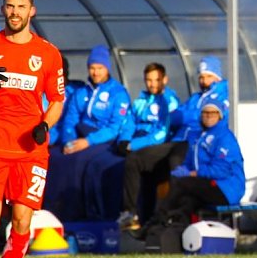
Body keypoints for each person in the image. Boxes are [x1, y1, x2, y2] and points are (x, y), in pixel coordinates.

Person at [0, 0, 64, 258]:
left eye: (21, 7)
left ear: (32, 11)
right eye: (9, 6)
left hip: (31, 152)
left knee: (21, 221)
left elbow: (57, 100)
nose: (15, 12)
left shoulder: (47, 53)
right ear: (3, 9)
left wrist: (44, 125)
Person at [122, 56, 229, 229]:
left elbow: (206, 118)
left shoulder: (224, 96)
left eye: (208, 76)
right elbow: (174, 117)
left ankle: (170, 219)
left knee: (174, 164)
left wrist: (184, 116)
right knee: (135, 160)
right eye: (201, 77)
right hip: (177, 140)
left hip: (195, 144)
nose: (203, 81)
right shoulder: (196, 98)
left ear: (217, 77)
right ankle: (131, 215)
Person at [43, 45, 130, 221]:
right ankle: (52, 212)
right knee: (54, 157)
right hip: (80, 136)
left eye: (100, 68)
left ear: (107, 68)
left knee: (78, 161)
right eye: (92, 68)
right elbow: (70, 119)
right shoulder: (82, 92)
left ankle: (79, 214)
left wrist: (87, 142)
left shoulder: (118, 93)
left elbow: (114, 127)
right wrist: (69, 141)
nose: (96, 72)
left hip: (103, 140)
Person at [85, 62, 180, 224]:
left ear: (165, 80)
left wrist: (133, 145)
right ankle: (101, 213)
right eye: (149, 80)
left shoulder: (169, 101)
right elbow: (129, 121)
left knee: (132, 162)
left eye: (156, 80)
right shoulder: (141, 99)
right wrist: (124, 140)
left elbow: (162, 133)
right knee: (103, 163)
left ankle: (130, 212)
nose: (152, 84)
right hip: (136, 140)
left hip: (156, 144)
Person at [144, 97, 244, 237]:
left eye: (213, 113)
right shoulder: (197, 137)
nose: (208, 116)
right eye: (205, 113)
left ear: (219, 116)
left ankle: (154, 222)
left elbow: (223, 170)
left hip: (226, 189)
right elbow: (188, 163)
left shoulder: (224, 138)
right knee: (184, 199)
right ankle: (172, 236)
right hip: (205, 184)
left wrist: (194, 174)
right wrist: (181, 172)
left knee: (182, 184)